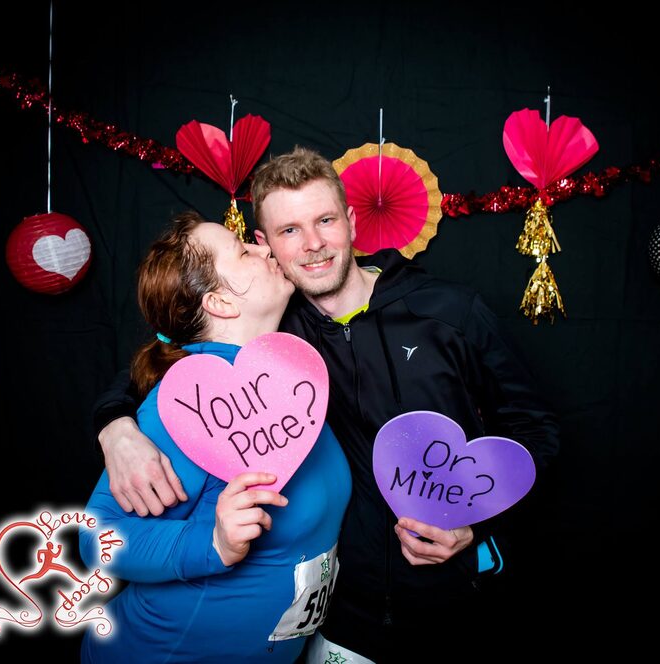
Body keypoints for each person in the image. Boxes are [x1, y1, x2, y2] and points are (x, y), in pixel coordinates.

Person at [94, 149, 559, 661]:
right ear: (265, 245)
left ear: (352, 222)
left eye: (325, 220)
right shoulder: (273, 331)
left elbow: (532, 430)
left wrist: (477, 523)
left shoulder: (449, 312)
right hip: (344, 624)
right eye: (288, 231)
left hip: (455, 605)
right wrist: (115, 426)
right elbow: (171, 363)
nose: (312, 245)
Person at [80, 211, 351, 663]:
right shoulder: (194, 401)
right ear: (220, 302)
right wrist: (214, 544)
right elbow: (100, 538)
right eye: (246, 250)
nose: (268, 250)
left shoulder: (290, 377)